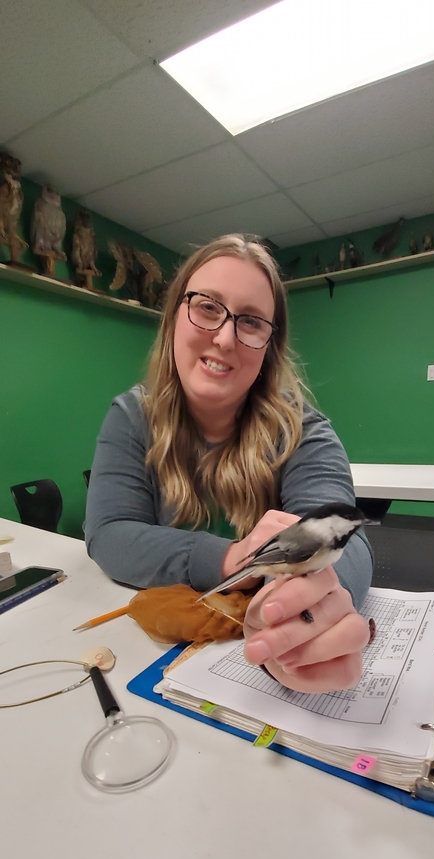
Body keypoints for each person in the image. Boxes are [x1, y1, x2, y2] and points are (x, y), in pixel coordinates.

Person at [85, 234, 373, 693]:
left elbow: (344, 540)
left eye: (252, 321)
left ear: (268, 347)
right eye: (207, 307)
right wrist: (231, 557)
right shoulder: (131, 418)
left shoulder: (305, 432)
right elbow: (109, 533)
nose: (224, 337)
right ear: (174, 317)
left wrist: (315, 604)